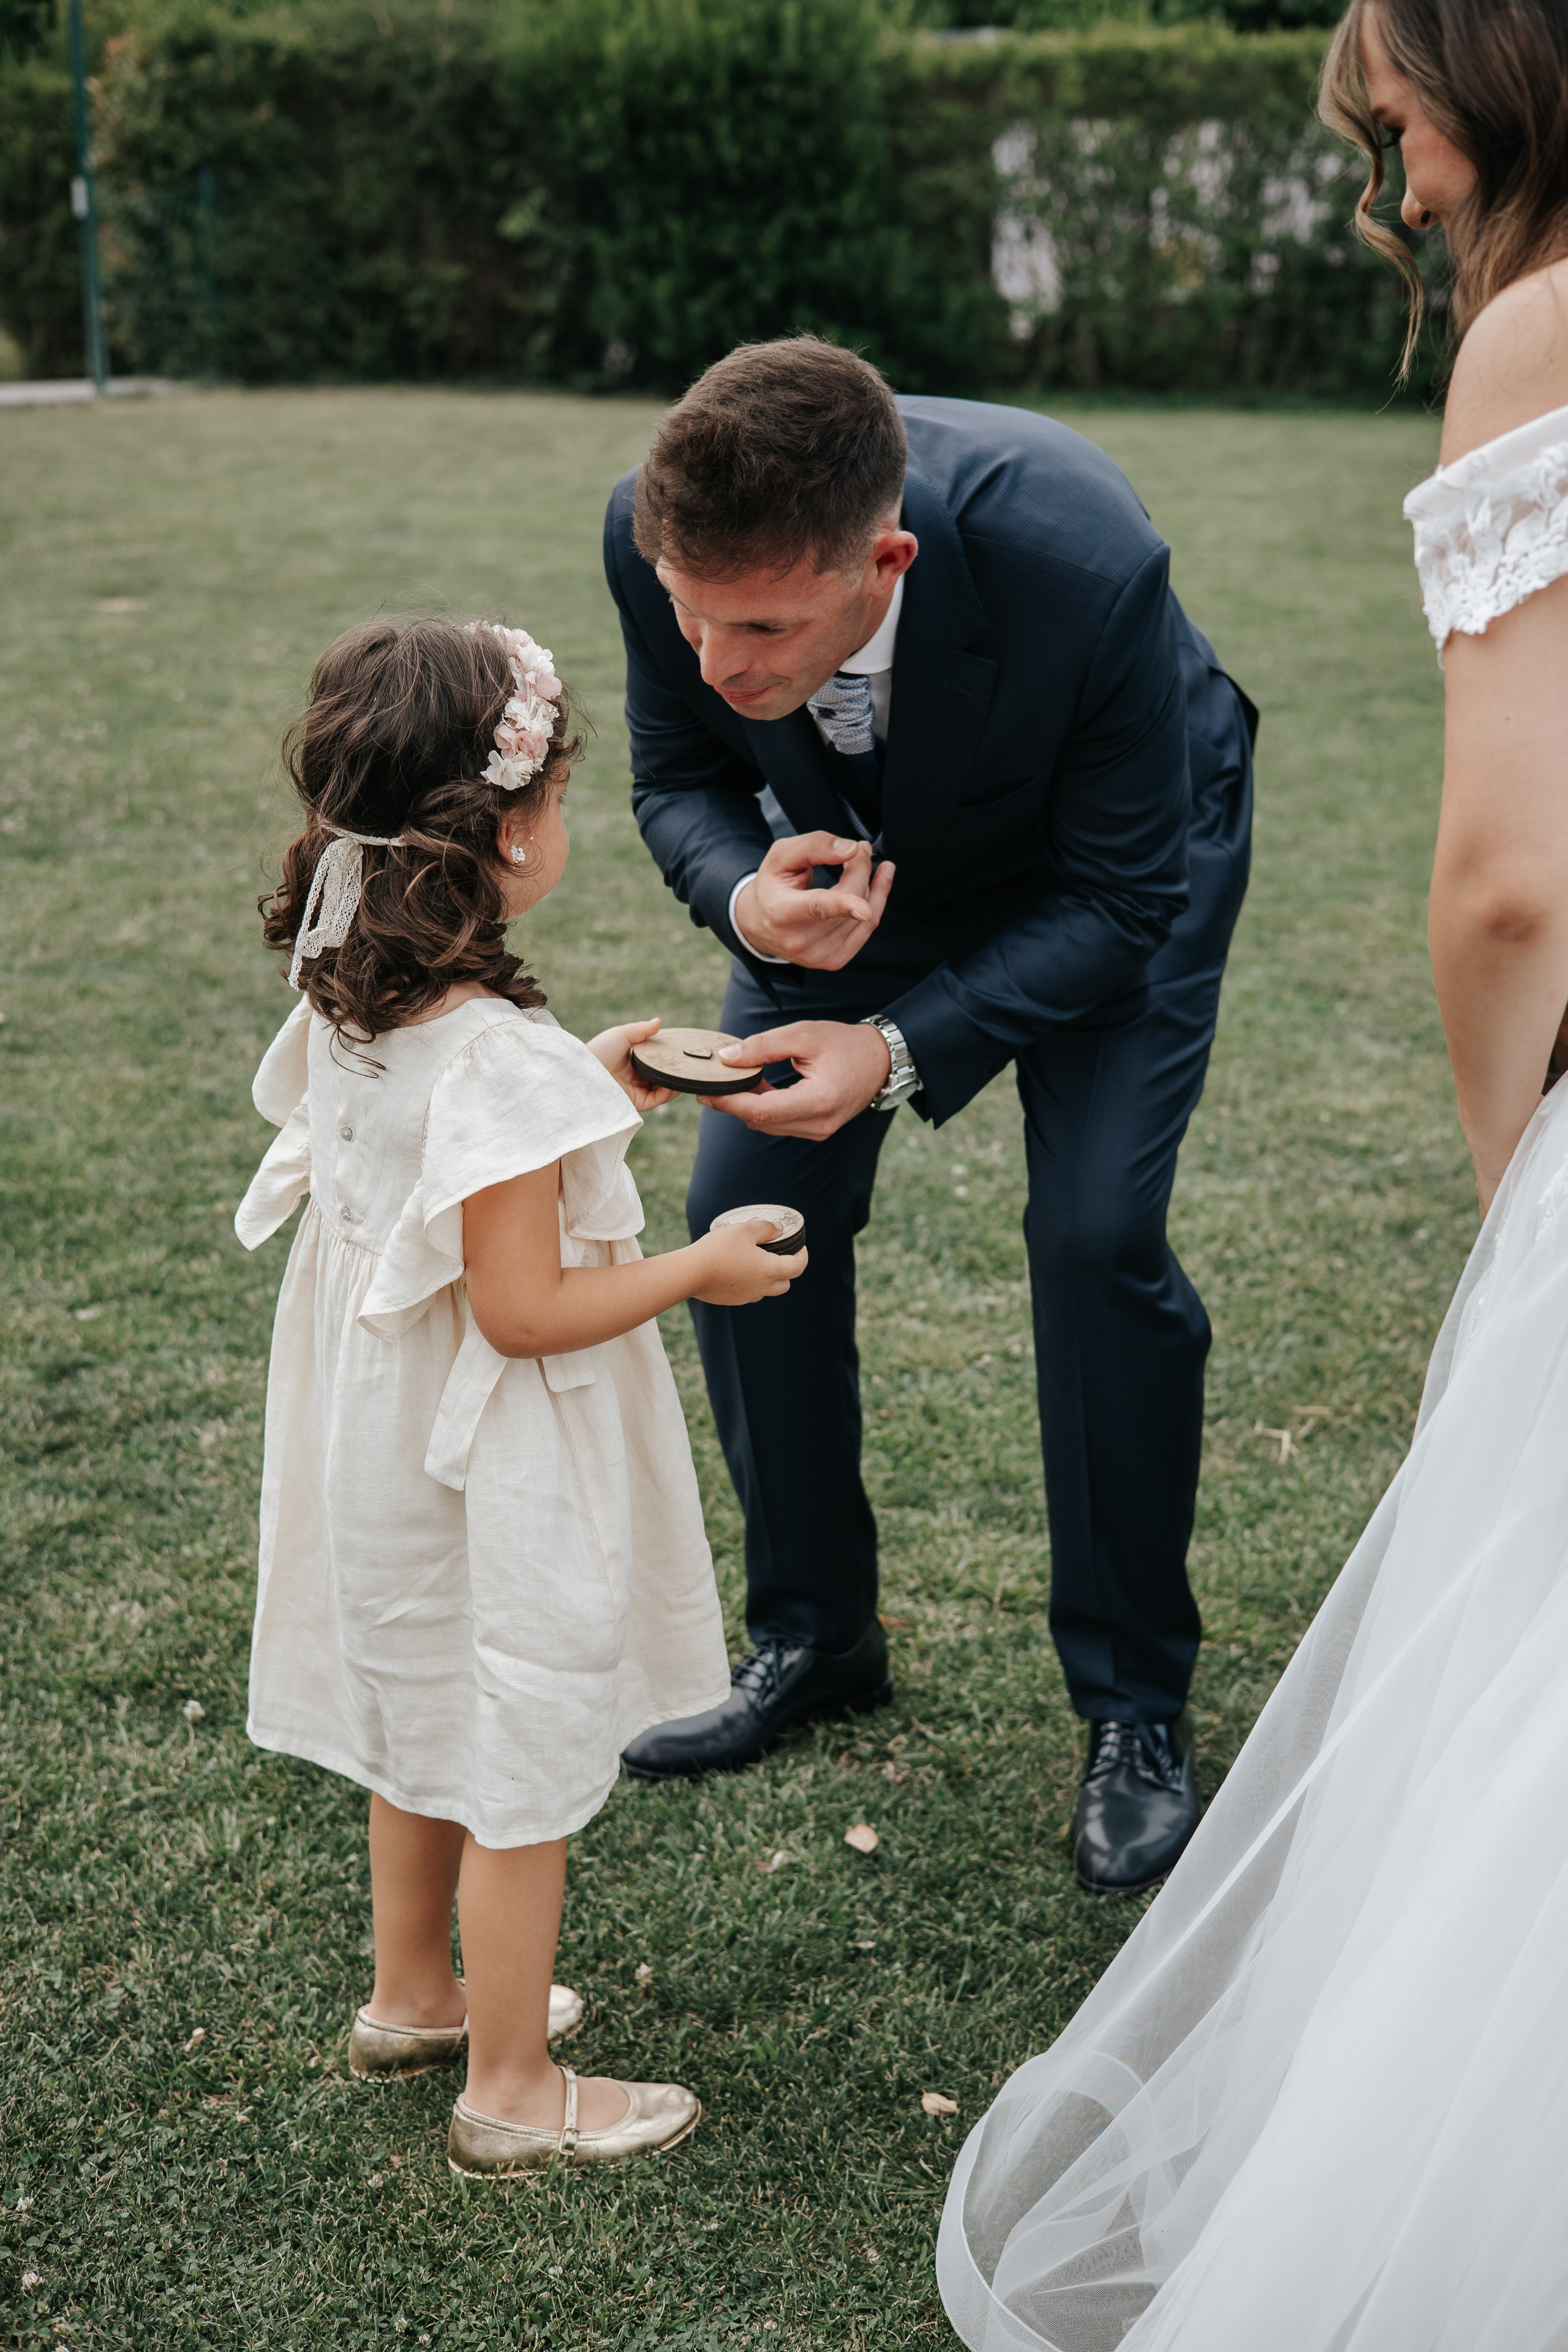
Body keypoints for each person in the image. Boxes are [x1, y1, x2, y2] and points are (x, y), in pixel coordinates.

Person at [937, 1, 1568, 2341]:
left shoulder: (1544, 326)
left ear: (1508, 84)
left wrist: (1519, 1179)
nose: (1399, 186)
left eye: (1397, 127)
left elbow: (1514, 880)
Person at [604, 336, 1256, 1894]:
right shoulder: (663, 531)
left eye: (757, 627)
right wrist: (750, 909)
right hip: (845, 876)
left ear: (881, 560)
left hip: (1116, 866)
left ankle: (1132, 1708)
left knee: (1096, 1235)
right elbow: (674, 775)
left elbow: (1119, 894)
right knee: (739, 1213)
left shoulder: (1080, 557)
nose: (713, 658)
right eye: (690, 614)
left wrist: (893, 1050)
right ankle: (814, 1636)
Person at [235, 616, 803, 2178]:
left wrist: (593, 1091)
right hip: (485, 1456)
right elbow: (525, 1305)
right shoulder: (490, 1053)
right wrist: (700, 1267)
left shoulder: (350, 982)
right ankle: (510, 2084)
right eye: (554, 790)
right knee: (512, 1741)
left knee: (415, 1713)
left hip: (376, 1434)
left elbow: (451, 1173)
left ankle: (413, 1993)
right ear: (504, 828)